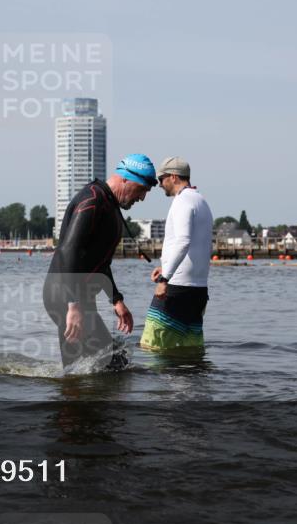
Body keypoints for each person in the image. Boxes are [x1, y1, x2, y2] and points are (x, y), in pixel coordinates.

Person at [42, 154, 156, 371]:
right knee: (89, 368)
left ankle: (84, 393)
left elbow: (100, 263)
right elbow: (69, 251)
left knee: (112, 362)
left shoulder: (109, 204)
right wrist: (73, 305)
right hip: (64, 297)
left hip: (79, 298)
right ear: (126, 179)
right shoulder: (92, 200)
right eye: (141, 190)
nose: (142, 197)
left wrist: (116, 300)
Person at [140, 157, 213, 355]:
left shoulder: (182, 201)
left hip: (177, 288)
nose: (159, 185)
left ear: (173, 177)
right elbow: (199, 245)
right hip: (198, 290)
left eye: (161, 179)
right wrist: (166, 267)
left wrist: (165, 278)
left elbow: (183, 241)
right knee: (190, 352)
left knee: (152, 346)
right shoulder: (201, 201)